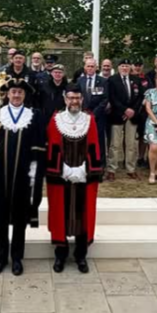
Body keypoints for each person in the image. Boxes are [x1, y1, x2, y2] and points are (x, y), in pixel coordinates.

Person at [0, 78, 46, 276]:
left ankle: (16, 258)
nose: (16, 95)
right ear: (7, 94)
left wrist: (35, 172)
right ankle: (0, 258)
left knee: (19, 216)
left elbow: (40, 146)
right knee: (0, 215)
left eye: (20, 93)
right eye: (13, 92)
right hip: (1, 173)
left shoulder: (34, 116)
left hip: (24, 175)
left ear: (25, 95)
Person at [46, 83, 103, 274]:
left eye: (77, 98)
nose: (74, 101)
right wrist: (62, 168)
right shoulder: (56, 119)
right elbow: (52, 145)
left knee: (82, 215)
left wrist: (84, 169)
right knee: (60, 214)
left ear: (82, 99)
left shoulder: (90, 120)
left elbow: (95, 145)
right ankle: (60, 255)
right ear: (65, 99)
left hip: (83, 176)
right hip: (61, 177)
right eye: (71, 98)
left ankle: (80, 256)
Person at [108, 59, 142, 180]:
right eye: (122, 66)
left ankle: (131, 169)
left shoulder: (136, 80)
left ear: (130, 67)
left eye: (127, 66)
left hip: (132, 117)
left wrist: (132, 110)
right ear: (118, 68)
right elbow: (112, 98)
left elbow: (139, 98)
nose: (125, 68)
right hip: (117, 116)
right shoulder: (112, 80)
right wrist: (124, 110)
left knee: (131, 144)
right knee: (115, 144)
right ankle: (112, 169)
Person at [79, 57, 110, 159]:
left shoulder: (103, 81)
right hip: (83, 116)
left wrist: (95, 113)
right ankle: (85, 160)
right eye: (88, 66)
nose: (90, 68)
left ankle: (100, 163)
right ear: (85, 67)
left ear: (96, 67)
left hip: (98, 116)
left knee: (99, 140)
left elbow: (105, 99)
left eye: (92, 66)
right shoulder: (80, 80)